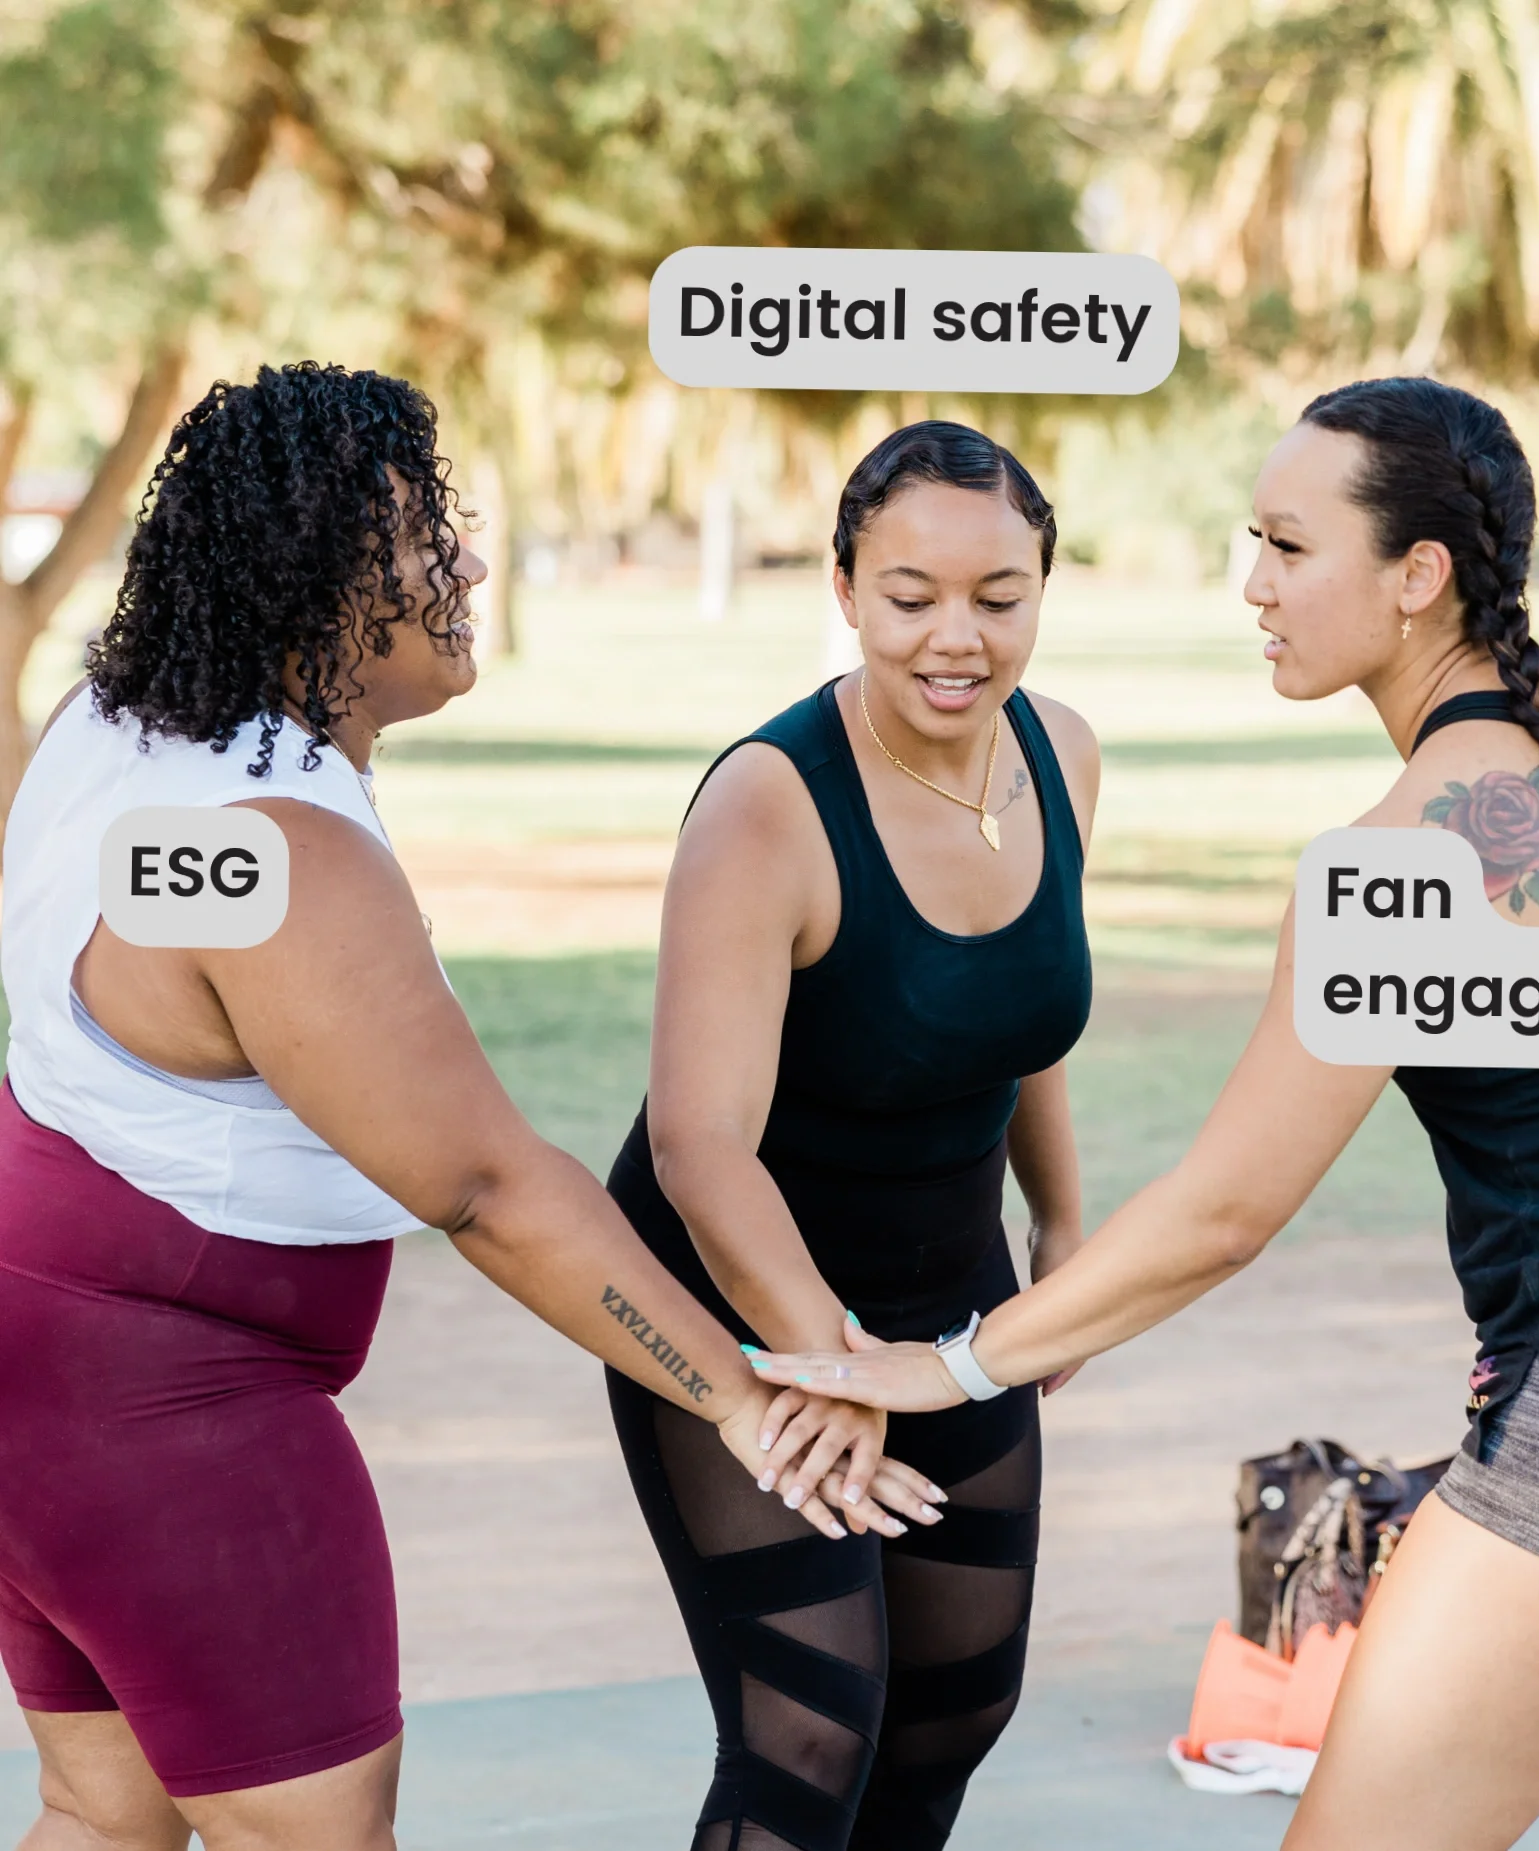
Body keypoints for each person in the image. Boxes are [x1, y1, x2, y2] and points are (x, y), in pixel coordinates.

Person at [745, 378, 1539, 1850]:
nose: (1251, 585)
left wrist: (952, 1367)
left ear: (1416, 577)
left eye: (1285, 546)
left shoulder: (1389, 863)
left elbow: (1222, 1213)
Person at [0, 363, 934, 1851]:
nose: (469, 563)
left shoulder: (109, 722)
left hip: (48, 1362)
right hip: (168, 1409)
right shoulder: (280, 853)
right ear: (316, 581)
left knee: (102, 1817)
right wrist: (745, 1395)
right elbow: (488, 1191)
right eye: (427, 541)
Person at [603, 420, 1098, 1851]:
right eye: (910, 595)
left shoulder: (1059, 754)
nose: (958, 637)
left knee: (955, 1706)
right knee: (807, 1728)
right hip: (742, 1300)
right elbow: (700, 1148)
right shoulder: (768, 803)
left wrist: (1059, 1228)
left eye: (999, 597)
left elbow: (1020, 1019)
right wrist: (833, 1367)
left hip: (949, 1297)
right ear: (841, 587)